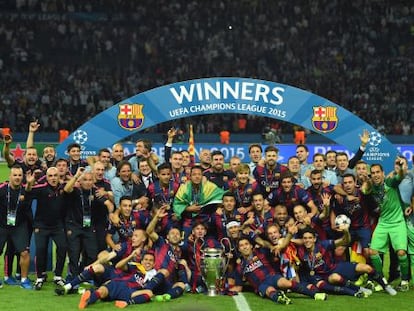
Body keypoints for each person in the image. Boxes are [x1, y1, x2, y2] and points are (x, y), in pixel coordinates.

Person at [296, 226, 393, 297]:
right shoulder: (300, 252)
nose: (307, 240)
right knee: (335, 278)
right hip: (323, 276)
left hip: (335, 267)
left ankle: (385, 286)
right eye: (305, 238)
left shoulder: (323, 245)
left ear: (314, 239)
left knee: (366, 268)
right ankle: (358, 289)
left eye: (310, 238)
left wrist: (346, 231)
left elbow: (344, 241)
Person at [229, 237, 327, 304]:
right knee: (269, 290)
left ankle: (315, 294)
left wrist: (272, 246)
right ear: (239, 249)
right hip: (261, 285)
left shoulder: (261, 253)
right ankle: (280, 298)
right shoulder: (240, 267)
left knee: (287, 283)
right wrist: (224, 290)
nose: (245, 247)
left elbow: (267, 244)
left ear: (251, 246)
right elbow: (238, 287)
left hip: (272, 277)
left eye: (246, 244)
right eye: (241, 245)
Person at [363, 161, 410, 292]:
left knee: (401, 252)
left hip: (397, 222)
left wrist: (400, 168)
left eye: (378, 172)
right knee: (373, 252)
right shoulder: (370, 188)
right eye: (373, 173)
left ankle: (405, 279)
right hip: (383, 223)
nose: (376, 175)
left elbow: (399, 176)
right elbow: (364, 191)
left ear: (383, 173)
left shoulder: (389, 183)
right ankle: (381, 280)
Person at [63, 168, 115, 278]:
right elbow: (66, 189)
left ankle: (87, 276)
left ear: (93, 181)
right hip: (74, 226)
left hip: (88, 227)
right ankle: (72, 276)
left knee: (92, 253)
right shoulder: (75, 190)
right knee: (74, 253)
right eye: (85, 180)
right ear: (80, 182)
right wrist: (76, 176)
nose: (87, 182)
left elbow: (109, 204)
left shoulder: (95, 193)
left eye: (90, 180)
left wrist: (111, 213)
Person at [25, 167, 68, 289]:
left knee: (63, 247)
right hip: (41, 226)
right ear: (46, 177)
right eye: (50, 176)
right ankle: (39, 278)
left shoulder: (63, 188)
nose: (53, 178)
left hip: (58, 226)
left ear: (59, 177)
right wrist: (29, 182)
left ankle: (58, 276)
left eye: (55, 176)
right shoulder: (41, 188)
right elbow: (28, 192)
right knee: (40, 250)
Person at [0, 166, 32, 289]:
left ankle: (24, 280)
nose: (17, 178)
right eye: (15, 175)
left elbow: (31, 192)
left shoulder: (26, 190)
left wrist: (29, 185)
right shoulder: (2, 189)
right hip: (2, 225)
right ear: (10, 176)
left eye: (20, 175)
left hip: (19, 226)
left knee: (24, 253)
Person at [173, 165, 224, 238]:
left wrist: (219, 207)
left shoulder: (208, 186)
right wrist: (188, 208)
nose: (197, 177)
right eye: (194, 174)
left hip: (205, 218)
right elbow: (177, 203)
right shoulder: (184, 187)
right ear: (190, 176)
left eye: (199, 174)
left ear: (202, 176)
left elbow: (221, 195)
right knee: (185, 243)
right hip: (189, 219)